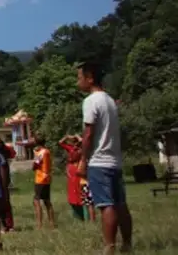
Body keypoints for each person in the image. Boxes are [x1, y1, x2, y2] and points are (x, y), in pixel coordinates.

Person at [77, 61, 132, 255]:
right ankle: (127, 244)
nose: (78, 82)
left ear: (90, 77)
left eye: (80, 78)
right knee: (120, 204)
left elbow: (89, 133)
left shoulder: (91, 101)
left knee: (106, 205)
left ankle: (109, 247)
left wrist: (83, 160)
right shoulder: (109, 100)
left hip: (99, 161)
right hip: (114, 161)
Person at [18, 136, 56, 229]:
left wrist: (33, 162)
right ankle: (52, 223)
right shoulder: (46, 151)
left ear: (36, 142)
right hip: (47, 177)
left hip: (40, 179)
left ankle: (39, 224)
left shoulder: (41, 153)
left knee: (36, 201)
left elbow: (35, 165)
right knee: (47, 201)